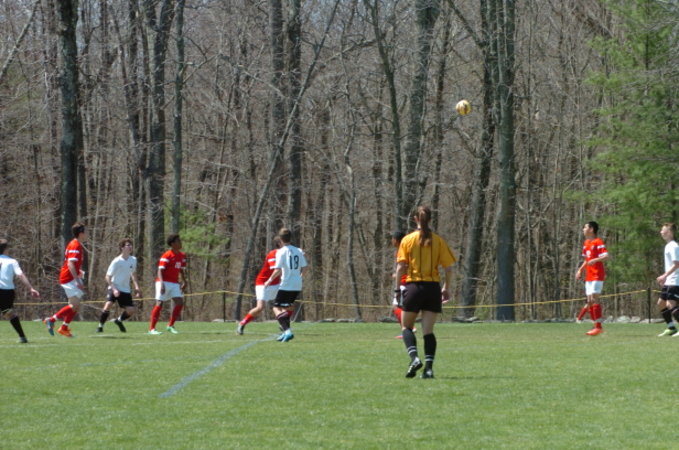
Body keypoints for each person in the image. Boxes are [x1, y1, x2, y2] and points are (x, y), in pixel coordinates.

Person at [395, 206, 456, 379]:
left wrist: (397, 289)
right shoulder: (438, 241)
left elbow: (401, 267)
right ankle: (428, 369)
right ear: (430, 219)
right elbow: (449, 268)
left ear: (415, 219)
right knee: (428, 331)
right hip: (432, 288)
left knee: (406, 326)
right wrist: (446, 288)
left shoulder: (407, 240)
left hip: (413, 287)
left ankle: (414, 358)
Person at [44, 222, 87, 338]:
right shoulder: (75, 245)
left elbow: (73, 264)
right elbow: (70, 264)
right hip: (68, 278)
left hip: (71, 277)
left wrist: (79, 272)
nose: (87, 233)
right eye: (86, 231)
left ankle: (64, 328)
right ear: (81, 233)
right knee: (74, 305)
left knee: (75, 306)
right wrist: (77, 280)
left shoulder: (77, 244)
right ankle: (51, 320)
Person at [264, 228, 307, 342]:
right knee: (287, 308)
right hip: (297, 284)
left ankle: (287, 331)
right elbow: (305, 267)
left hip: (286, 283)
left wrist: (269, 280)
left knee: (276, 307)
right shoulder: (298, 250)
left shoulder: (281, 252)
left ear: (280, 239)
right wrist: (300, 277)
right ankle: (285, 332)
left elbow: (277, 270)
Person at [237, 236, 282, 335]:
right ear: (279, 243)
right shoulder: (273, 254)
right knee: (260, 307)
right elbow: (277, 270)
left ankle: (283, 324)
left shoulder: (286, 253)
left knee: (284, 305)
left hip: (276, 283)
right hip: (263, 282)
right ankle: (242, 323)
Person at [97, 238, 142, 333]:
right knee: (108, 304)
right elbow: (107, 277)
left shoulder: (133, 260)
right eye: (128, 245)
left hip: (125, 289)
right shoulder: (116, 261)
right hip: (114, 286)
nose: (130, 247)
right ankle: (100, 327)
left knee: (131, 310)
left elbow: (133, 274)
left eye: (131, 245)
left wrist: (137, 287)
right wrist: (114, 289)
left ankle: (119, 320)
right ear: (122, 247)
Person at [0, 239, 40, 343]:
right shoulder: (12, 261)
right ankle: (22, 337)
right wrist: (30, 288)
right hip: (7, 292)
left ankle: (22, 337)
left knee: (8, 313)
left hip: (5, 291)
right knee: (8, 313)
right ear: (6, 249)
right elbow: (20, 275)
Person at [148, 234, 187, 335]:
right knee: (159, 303)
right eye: (178, 241)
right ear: (172, 244)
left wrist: (184, 281)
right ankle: (152, 329)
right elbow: (160, 271)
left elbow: (181, 269)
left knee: (179, 302)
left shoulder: (182, 256)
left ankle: (170, 325)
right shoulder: (167, 255)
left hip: (174, 283)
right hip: (163, 281)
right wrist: (162, 284)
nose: (180, 243)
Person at [575, 221, 609, 336]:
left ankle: (598, 327)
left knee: (594, 298)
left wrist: (596, 260)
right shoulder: (586, 243)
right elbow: (586, 260)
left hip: (597, 274)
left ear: (591, 229)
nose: (583, 229)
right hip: (589, 276)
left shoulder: (598, 241)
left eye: (585, 227)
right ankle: (596, 325)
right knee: (589, 301)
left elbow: (606, 256)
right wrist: (580, 270)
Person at [655, 223, 679, 337]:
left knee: (670, 304)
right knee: (661, 303)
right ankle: (671, 328)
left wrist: (664, 276)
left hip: (675, 280)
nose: (661, 232)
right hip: (669, 280)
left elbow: (677, 264)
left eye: (663, 230)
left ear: (669, 232)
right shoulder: (668, 246)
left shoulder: (673, 246)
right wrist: (666, 277)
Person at [390, 230, 409, 339]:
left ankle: (408, 328)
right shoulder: (406, 249)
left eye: (392, 239)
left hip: (404, 283)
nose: (391, 241)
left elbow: (404, 267)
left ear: (396, 240)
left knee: (396, 306)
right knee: (400, 307)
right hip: (405, 282)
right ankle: (406, 328)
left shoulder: (402, 250)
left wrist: (398, 275)